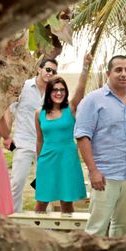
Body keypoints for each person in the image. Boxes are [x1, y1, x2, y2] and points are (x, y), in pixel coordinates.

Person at [74, 55, 126, 237]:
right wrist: (93, 171)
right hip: (105, 175)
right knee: (96, 228)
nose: (123, 74)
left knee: (122, 228)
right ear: (108, 73)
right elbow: (82, 136)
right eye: (118, 70)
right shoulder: (93, 100)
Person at [33, 53, 91, 214]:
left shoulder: (71, 109)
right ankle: (40, 235)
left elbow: (80, 89)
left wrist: (85, 66)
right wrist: (39, 162)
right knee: (41, 202)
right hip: (47, 159)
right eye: (55, 90)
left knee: (66, 202)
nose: (58, 93)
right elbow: (39, 140)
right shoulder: (39, 113)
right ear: (49, 92)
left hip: (68, 158)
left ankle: (68, 236)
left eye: (62, 90)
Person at [9, 57, 59, 213]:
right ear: (39, 69)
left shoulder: (55, 93)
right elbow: (10, 111)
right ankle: (14, 218)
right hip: (23, 142)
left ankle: (46, 222)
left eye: (54, 71)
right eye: (48, 69)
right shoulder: (23, 87)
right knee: (17, 182)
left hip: (45, 146)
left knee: (46, 185)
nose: (50, 73)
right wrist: (6, 137)